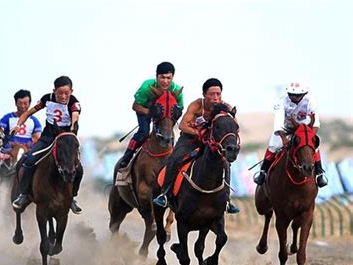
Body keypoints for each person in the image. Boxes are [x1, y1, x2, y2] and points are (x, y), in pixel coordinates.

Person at [153, 78, 240, 214]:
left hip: (211, 142)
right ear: (204, 94)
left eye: (218, 94)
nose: (215, 98)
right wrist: (200, 133)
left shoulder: (226, 108)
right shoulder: (197, 106)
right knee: (175, 158)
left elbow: (233, 127)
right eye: (212, 94)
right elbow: (183, 125)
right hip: (189, 140)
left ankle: (227, 201)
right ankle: (165, 194)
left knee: (226, 164)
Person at [11, 76, 83, 213]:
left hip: (66, 140)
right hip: (48, 136)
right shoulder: (47, 99)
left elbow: (75, 115)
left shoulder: (74, 103)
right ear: (54, 91)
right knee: (29, 160)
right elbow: (28, 112)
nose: (63, 96)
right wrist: (18, 125)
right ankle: (23, 194)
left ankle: (72, 197)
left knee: (79, 169)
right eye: (59, 93)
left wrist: (74, 126)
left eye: (66, 93)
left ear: (71, 91)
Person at [253, 81, 328, 187]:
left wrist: (309, 136)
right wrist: (284, 139)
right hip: (285, 129)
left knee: (313, 147)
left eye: (297, 95)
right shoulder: (280, 102)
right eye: (292, 94)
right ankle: (263, 172)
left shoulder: (311, 101)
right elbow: (278, 122)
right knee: (273, 146)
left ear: (304, 94)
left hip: (304, 129)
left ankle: (320, 174)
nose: (294, 97)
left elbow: (315, 122)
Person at [119, 62, 184, 168]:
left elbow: (180, 108)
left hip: (166, 115)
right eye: (162, 78)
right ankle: (127, 157)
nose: (165, 81)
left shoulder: (176, 91)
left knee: (169, 134)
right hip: (145, 110)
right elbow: (135, 106)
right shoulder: (146, 87)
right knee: (144, 132)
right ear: (156, 76)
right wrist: (150, 113)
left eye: (169, 78)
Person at [0, 89, 42, 153]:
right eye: (20, 103)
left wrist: (23, 146)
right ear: (15, 103)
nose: (23, 106)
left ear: (29, 104)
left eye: (25, 103)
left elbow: (37, 137)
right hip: (8, 152)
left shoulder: (34, 121)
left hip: (26, 153)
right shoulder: (7, 118)